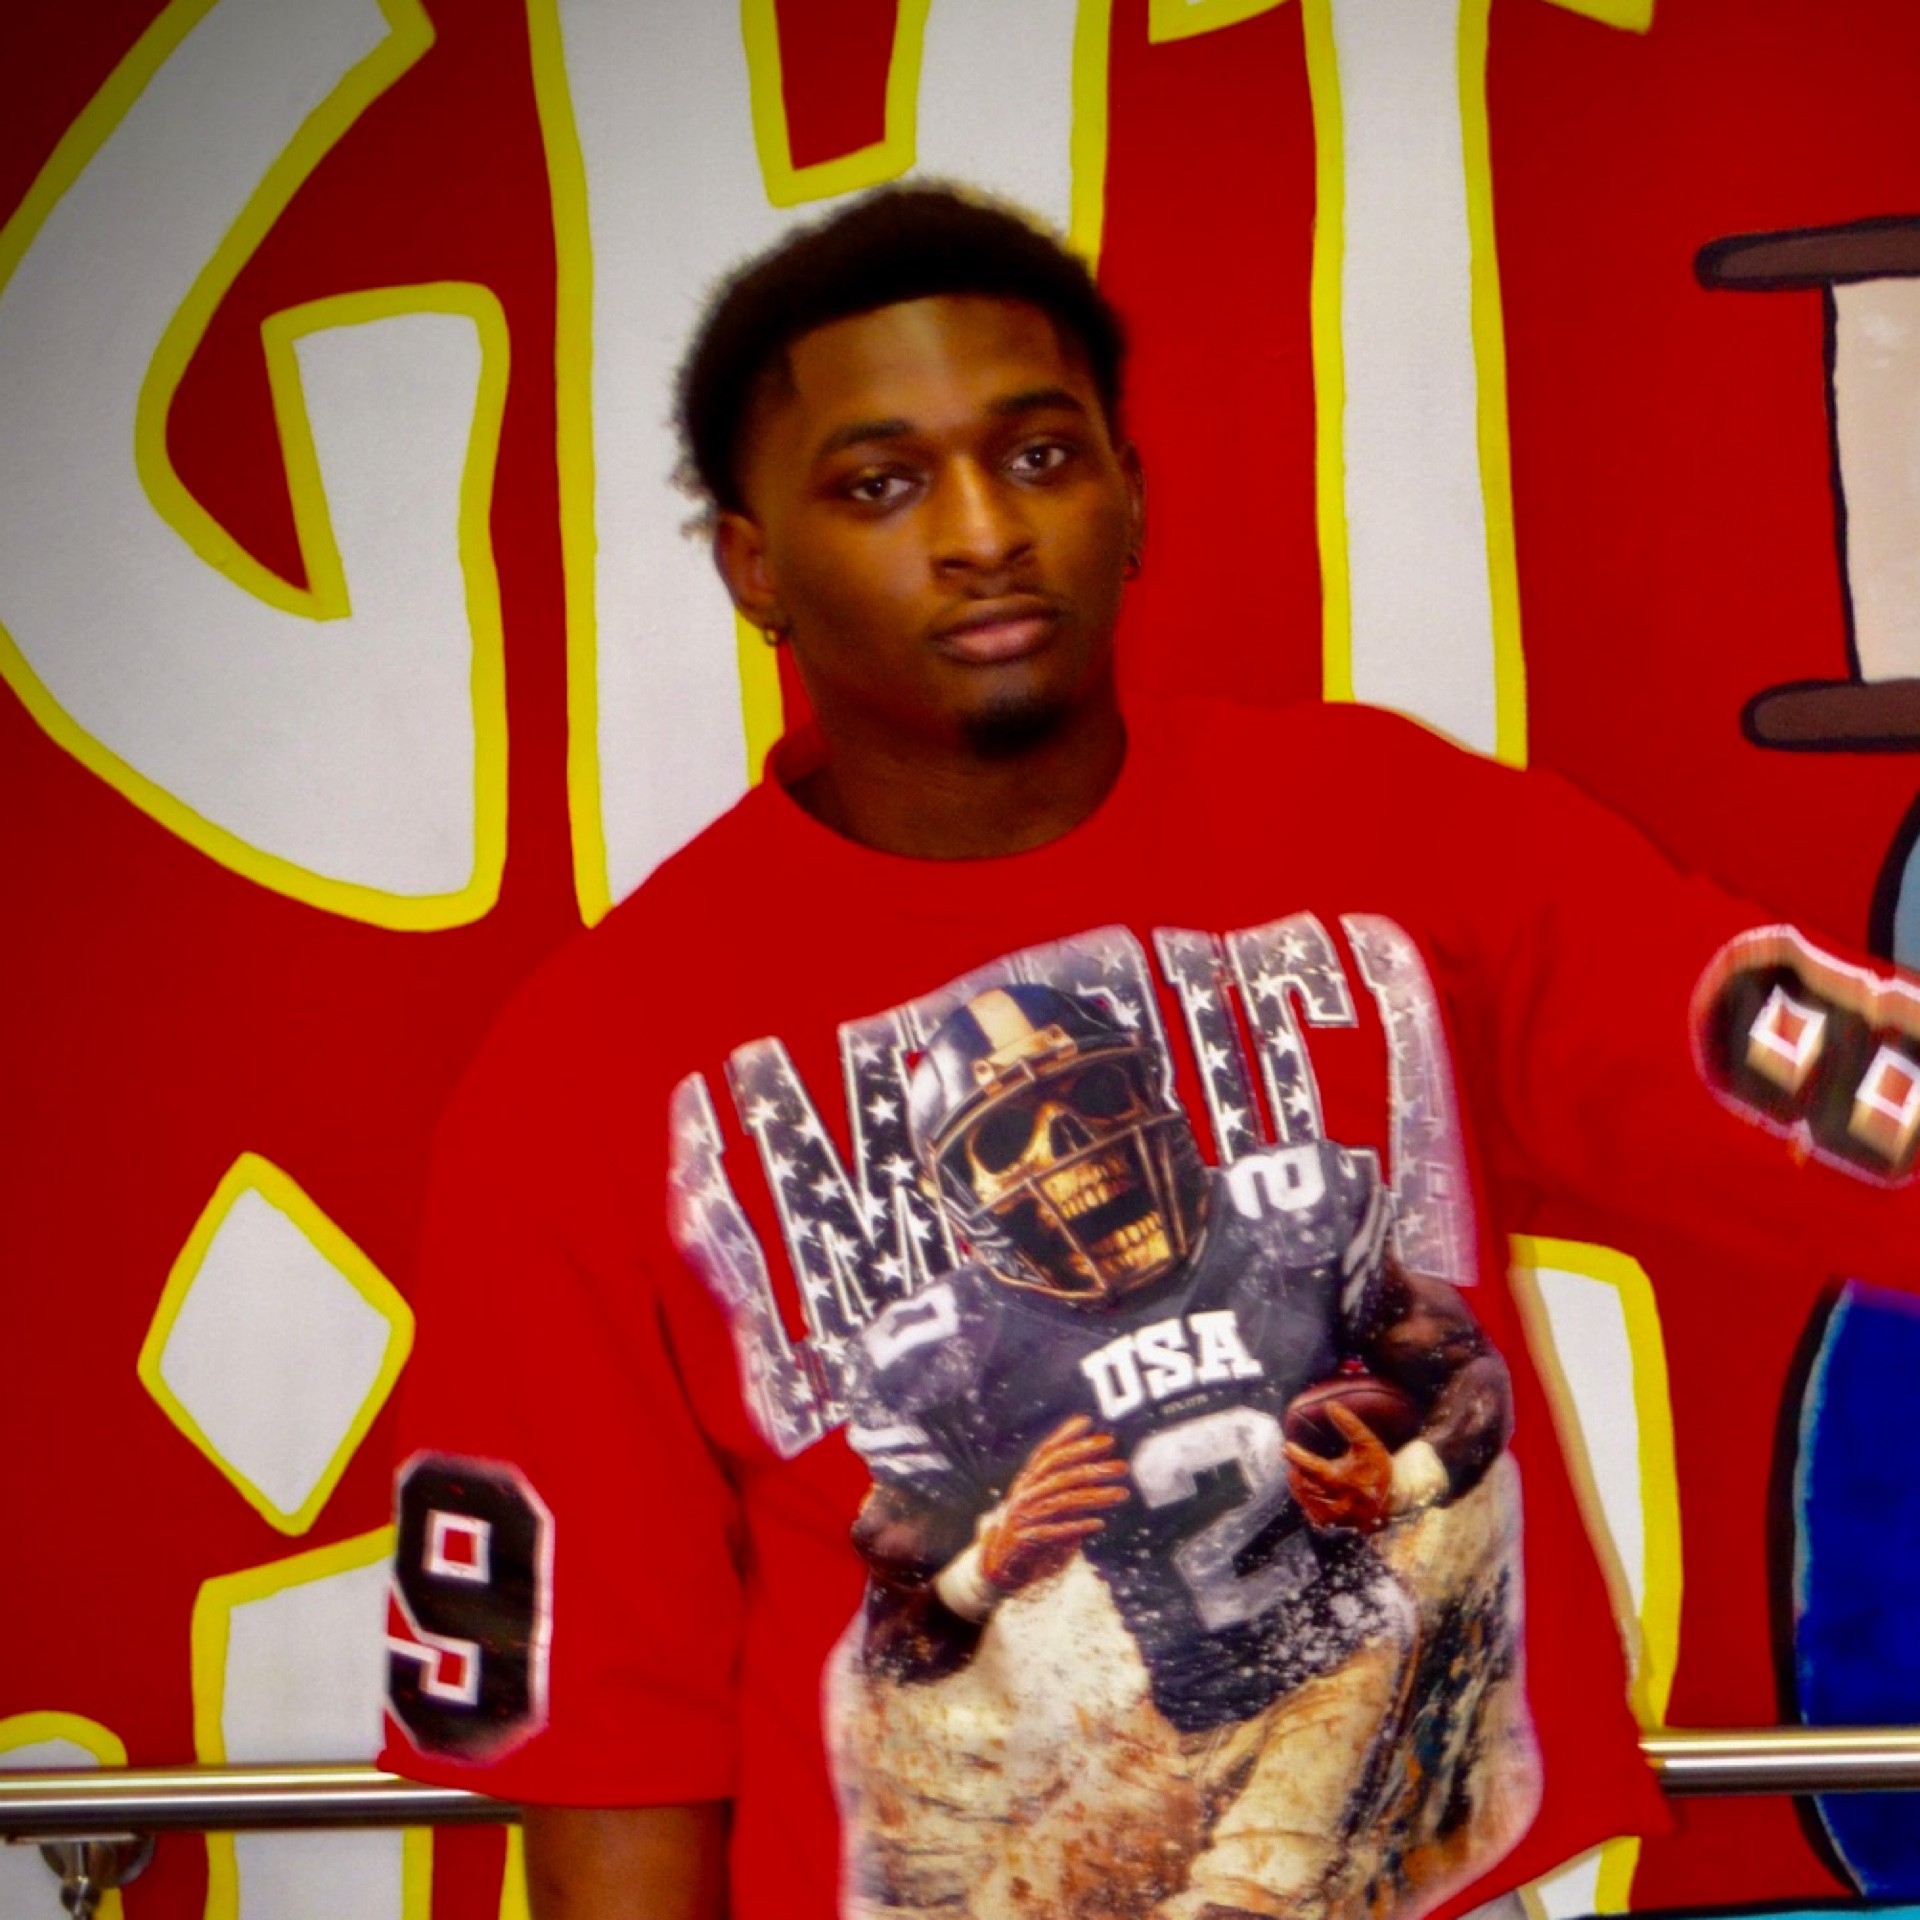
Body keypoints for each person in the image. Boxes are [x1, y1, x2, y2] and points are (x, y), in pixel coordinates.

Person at [380, 184, 1920, 1920]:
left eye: (1037, 456)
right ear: (755, 566)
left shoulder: (1389, 836)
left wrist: (1412, 1469)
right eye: (880, 484)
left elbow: (1825, 1094)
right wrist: (985, 1564)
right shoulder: (593, 1069)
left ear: (1130, 495)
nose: (981, 531)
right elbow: (608, 1724)